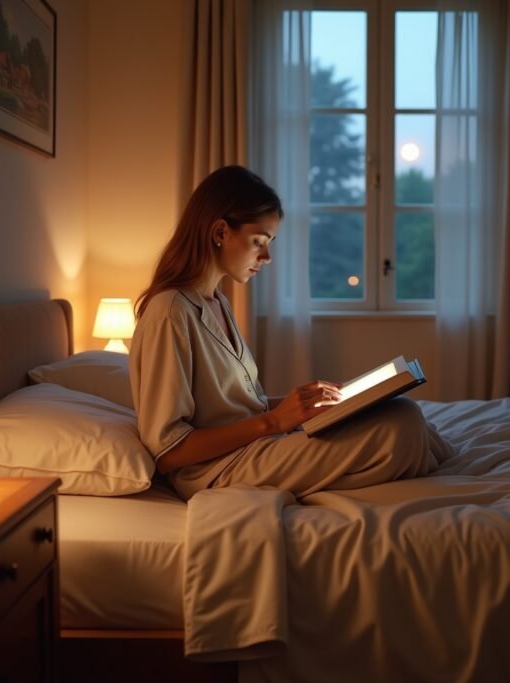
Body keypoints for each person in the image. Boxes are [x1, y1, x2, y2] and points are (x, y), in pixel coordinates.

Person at [130, 165, 453, 501]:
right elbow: (168, 451)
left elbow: (232, 408)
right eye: (258, 242)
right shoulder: (170, 312)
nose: (267, 257)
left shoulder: (217, 302)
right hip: (216, 468)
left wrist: (298, 405)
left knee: (398, 411)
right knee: (401, 427)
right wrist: (275, 422)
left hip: (254, 445)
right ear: (220, 233)